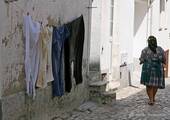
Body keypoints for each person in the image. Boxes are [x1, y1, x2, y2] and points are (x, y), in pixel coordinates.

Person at [139, 35, 166, 105]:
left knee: (149, 86)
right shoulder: (160, 49)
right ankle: (153, 98)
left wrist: (142, 61)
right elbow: (164, 60)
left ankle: (151, 99)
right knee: (155, 85)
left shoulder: (145, 50)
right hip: (158, 70)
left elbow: (141, 60)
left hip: (148, 70)